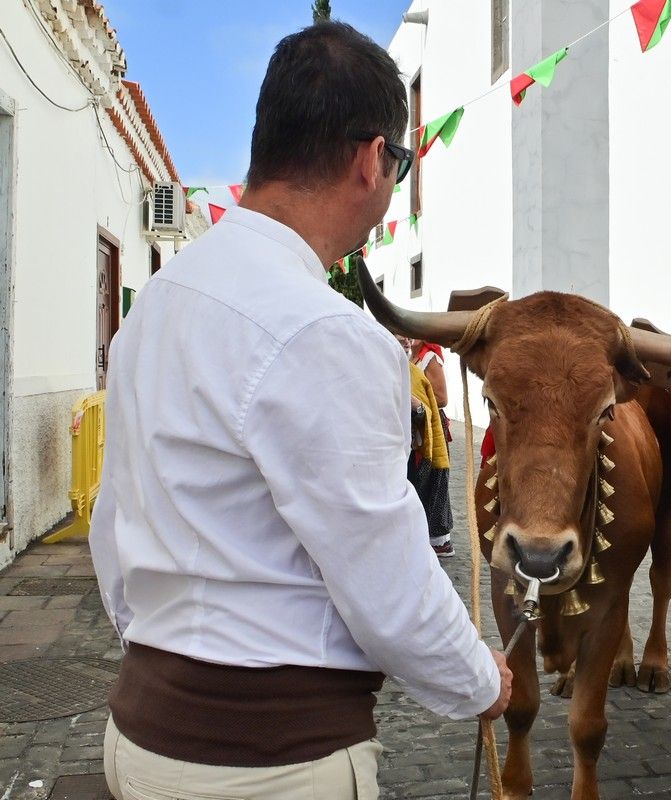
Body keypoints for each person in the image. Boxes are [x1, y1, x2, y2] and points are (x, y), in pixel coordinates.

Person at [89, 22, 511, 800]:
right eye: (402, 164)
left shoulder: (153, 309)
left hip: (139, 738)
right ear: (370, 158)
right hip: (268, 766)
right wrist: (480, 679)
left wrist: (165, 655)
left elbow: (113, 528)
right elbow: (387, 584)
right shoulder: (326, 331)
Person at [407, 339, 456, 557]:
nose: (408, 339)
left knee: (434, 477)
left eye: (410, 335)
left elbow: (443, 398)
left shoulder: (429, 358)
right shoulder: (413, 357)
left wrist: (417, 401)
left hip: (431, 420)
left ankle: (439, 539)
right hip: (419, 423)